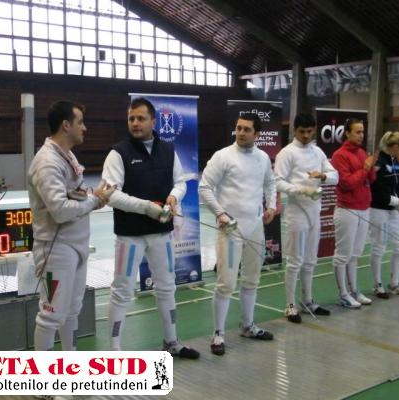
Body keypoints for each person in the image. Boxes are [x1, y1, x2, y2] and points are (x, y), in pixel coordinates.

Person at [102, 97, 199, 359]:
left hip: (161, 234)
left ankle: (171, 341)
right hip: (129, 235)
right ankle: (114, 352)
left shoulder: (168, 149)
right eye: (131, 118)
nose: (135, 123)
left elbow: (180, 182)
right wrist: (147, 207)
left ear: (153, 121)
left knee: (167, 286)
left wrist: (174, 197)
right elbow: (110, 194)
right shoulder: (118, 153)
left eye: (141, 118)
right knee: (122, 290)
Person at [28, 100, 115, 352]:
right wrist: (93, 200)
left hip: (75, 244)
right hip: (55, 249)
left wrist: (93, 197)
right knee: (51, 314)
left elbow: (74, 195)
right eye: (80, 122)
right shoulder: (47, 162)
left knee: (72, 310)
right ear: (66, 125)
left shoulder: (66, 156)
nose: (84, 128)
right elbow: (59, 210)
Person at [199, 112, 277, 355]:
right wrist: (220, 213)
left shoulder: (262, 158)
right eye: (239, 128)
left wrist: (271, 205)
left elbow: (270, 183)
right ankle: (218, 334)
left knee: (252, 279)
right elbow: (204, 187)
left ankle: (248, 325)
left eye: (246, 129)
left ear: (257, 134)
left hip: (255, 227)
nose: (241, 132)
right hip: (230, 229)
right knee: (226, 283)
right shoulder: (222, 156)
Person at [274, 113, 338, 323]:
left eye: (309, 131)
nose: (306, 135)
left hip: (314, 212)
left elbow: (335, 176)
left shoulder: (318, 151)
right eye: (302, 131)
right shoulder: (287, 153)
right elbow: (277, 181)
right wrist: (300, 189)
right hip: (297, 213)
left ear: (314, 130)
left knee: (311, 260)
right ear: (295, 130)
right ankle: (290, 305)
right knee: (295, 261)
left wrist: (323, 176)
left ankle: (308, 300)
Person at [331, 119, 376, 308]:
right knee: (343, 255)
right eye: (357, 132)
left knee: (355, 254)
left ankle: (354, 291)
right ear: (347, 133)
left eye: (362, 131)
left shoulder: (362, 152)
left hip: (364, 208)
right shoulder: (339, 155)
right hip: (347, 210)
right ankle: (343, 294)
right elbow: (346, 183)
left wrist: (371, 168)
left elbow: (370, 179)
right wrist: (364, 169)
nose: (361, 135)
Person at [369, 131, 399, 299]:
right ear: (395, 146)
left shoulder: (395, 161)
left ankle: (395, 284)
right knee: (379, 247)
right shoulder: (379, 162)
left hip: (392, 210)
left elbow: (395, 185)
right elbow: (377, 191)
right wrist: (398, 201)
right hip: (378, 210)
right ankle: (378, 286)